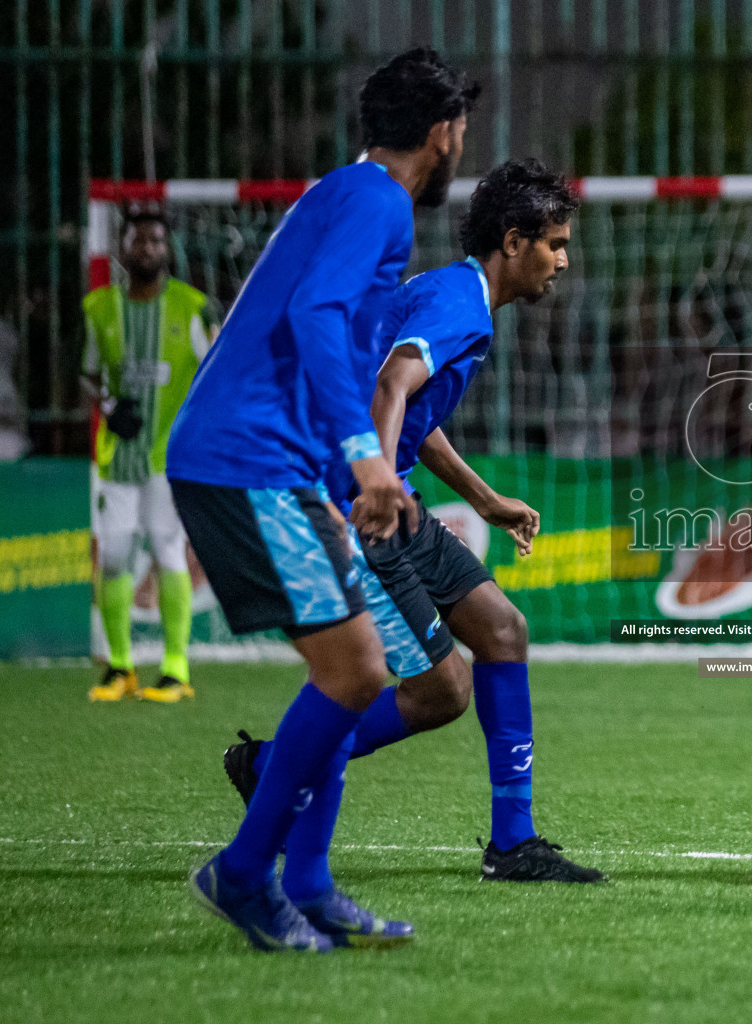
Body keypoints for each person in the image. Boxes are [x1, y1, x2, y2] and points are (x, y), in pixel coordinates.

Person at [166, 47, 477, 953]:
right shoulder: (377, 199)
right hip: (245, 458)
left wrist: (337, 477)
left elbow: (317, 335)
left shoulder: (346, 193)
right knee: (356, 671)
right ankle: (243, 876)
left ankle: (304, 882)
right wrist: (364, 460)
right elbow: (314, 319)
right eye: (462, 131)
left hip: (278, 461)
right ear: (442, 133)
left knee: (355, 670)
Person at [222, 159, 603, 885]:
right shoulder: (460, 305)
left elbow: (410, 412)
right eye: (554, 243)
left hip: (394, 499)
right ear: (514, 241)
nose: (563, 259)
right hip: (365, 508)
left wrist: (485, 499)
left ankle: (514, 842)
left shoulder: (456, 293)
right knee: (441, 692)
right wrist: (374, 486)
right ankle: (272, 769)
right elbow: (393, 383)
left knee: (502, 629)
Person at [82, 209, 219, 703]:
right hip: (117, 458)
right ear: (122, 248)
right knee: (115, 555)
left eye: (156, 240)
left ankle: (175, 669)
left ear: (168, 249)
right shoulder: (99, 308)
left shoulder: (192, 306)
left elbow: (215, 373)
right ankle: (120, 667)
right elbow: (88, 375)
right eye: (138, 239)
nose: (146, 247)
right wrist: (110, 406)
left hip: (169, 456)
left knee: (166, 548)